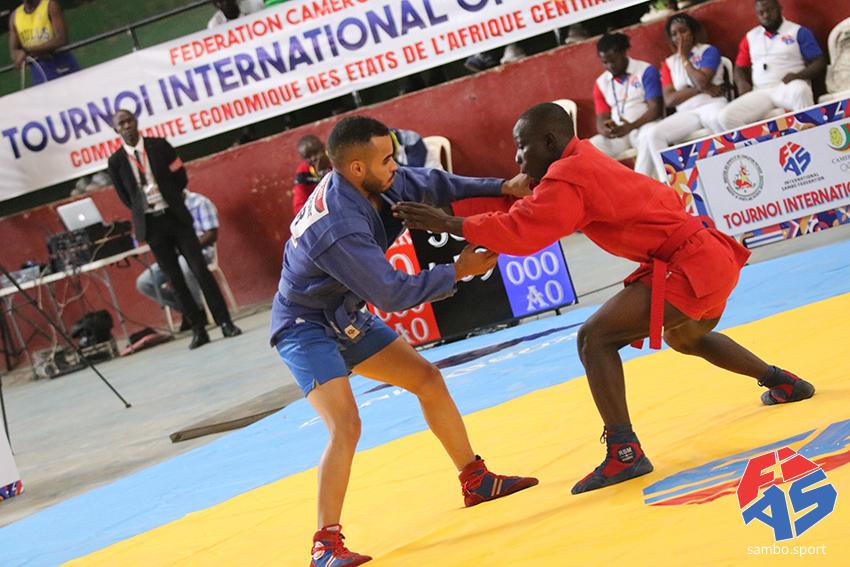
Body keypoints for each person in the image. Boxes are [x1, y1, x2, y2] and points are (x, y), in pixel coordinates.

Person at [393, 102, 815, 496]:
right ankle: (782, 381)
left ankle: (624, 452)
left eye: (522, 147)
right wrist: (495, 212)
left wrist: (450, 223)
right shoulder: (582, 158)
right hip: (708, 255)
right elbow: (537, 208)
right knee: (687, 337)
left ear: (549, 142)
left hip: (688, 265)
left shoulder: (568, 176)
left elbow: (525, 229)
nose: (517, 159)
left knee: (593, 339)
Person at [271, 115, 538, 566]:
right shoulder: (339, 226)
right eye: (386, 159)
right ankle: (324, 545)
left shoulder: (378, 181)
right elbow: (391, 294)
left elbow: (432, 181)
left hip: (344, 314)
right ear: (357, 167)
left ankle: (475, 480)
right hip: (304, 325)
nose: (395, 165)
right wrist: (458, 270)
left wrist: (502, 185)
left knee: (427, 379)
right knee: (346, 425)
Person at [108, 109, 242, 350]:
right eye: (121, 124)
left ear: (136, 122)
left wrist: (169, 196)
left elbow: (180, 175)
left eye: (129, 121)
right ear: (115, 130)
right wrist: (145, 205)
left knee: (199, 270)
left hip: (176, 216)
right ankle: (198, 330)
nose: (126, 126)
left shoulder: (160, 146)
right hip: (152, 224)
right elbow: (125, 196)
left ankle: (225, 322)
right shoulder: (116, 162)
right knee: (175, 279)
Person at [718, 0, 826, 131]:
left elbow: (819, 61)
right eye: (761, 12)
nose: (766, 15)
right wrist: (742, 84)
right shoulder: (751, 37)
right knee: (726, 117)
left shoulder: (797, 31)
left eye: (770, 10)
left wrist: (798, 76)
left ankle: (812, 136)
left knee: (801, 91)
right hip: (761, 92)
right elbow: (739, 68)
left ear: (779, 8)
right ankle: (761, 144)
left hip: (787, 87)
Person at [644, 13, 728, 180]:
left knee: (718, 119)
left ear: (693, 32)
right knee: (654, 134)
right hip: (686, 113)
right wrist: (702, 88)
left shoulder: (708, 51)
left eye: (683, 31)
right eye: (674, 34)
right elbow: (670, 99)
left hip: (711, 104)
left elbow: (701, 80)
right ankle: (668, 184)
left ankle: (731, 166)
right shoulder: (669, 63)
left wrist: (684, 58)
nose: (679, 37)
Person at [136, 191, 219, 331]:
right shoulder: (161, 208)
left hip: (200, 252)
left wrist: (187, 248)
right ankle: (189, 310)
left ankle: (199, 309)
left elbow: (212, 234)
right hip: (173, 255)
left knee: (185, 266)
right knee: (144, 283)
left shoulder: (199, 202)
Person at [590, 32, 662, 178]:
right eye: (605, 62)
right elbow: (601, 118)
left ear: (624, 53)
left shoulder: (645, 70)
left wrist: (631, 126)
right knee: (590, 147)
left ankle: (641, 183)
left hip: (642, 126)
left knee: (649, 136)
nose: (610, 66)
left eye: (613, 61)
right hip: (619, 133)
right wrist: (606, 130)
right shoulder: (601, 83)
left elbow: (655, 109)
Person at [9, 0, 79, 86]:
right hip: (38, 70)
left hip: (61, 63)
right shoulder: (15, 16)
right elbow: (14, 50)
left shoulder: (50, 5)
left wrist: (28, 51)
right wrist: (18, 56)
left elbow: (61, 39)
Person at [293, 135, 331, 215]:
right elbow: (298, 207)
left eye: (316, 152)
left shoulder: (335, 159)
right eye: (308, 157)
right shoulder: (303, 171)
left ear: (323, 147)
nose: (313, 158)